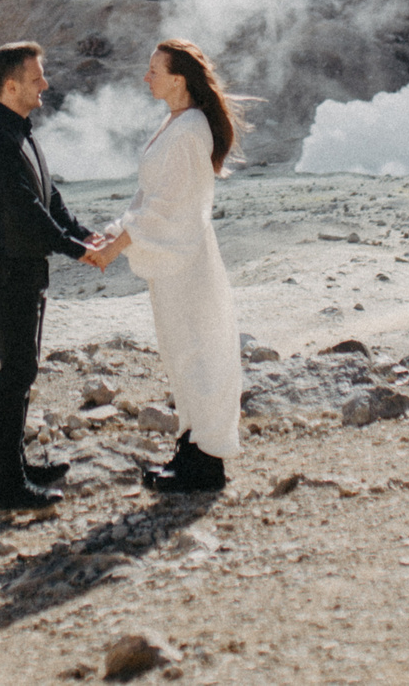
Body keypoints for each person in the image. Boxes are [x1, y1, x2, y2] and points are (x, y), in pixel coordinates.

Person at [92, 38, 242, 494]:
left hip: (186, 257)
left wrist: (117, 246)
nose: (146, 77)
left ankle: (207, 460)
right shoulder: (176, 123)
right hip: (172, 259)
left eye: (154, 70)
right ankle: (191, 447)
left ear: (178, 78)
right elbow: (149, 199)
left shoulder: (190, 128)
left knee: (199, 348)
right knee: (181, 350)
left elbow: (167, 207)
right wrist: (114, 231)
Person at [0, 39, 101, 511]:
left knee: (24, 370)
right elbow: (24, 212)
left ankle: (19, 467)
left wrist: (84, 235)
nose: (45, 83)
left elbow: (49, 197)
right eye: (36, 77)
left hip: (25, 267)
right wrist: (76, 250)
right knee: (16, 373)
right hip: (8, 269)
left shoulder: (19, 130)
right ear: (10, 85)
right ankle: (9, 486)